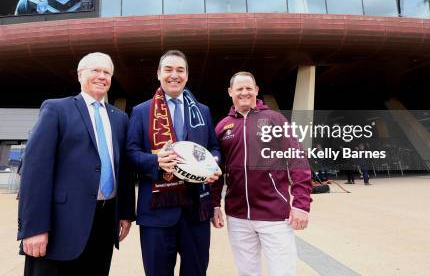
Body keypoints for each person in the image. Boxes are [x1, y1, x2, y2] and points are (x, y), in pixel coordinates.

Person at [17, 52, 135, 276]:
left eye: (107, 72)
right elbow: (35, 172)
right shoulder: (56, 109)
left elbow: (125, 170)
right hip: (59, 226)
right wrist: (34, 228)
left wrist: (125, 213)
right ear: (80, 75)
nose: (102, 76)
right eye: (95, 71)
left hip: (104, 222)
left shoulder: (120, 119)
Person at [127, 49, 221, 276]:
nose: (174, 75)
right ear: (158, 73)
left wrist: (212, 163)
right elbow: (131, 152)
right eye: (168, 69)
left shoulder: (202, 111)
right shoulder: (142, 111)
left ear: (187, 75)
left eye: (180, 70)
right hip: (157, 213)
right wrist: (156, 161)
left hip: (197, 211)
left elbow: (214, 147)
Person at [211, 71, 312, 276]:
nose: (244, 92)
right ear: (230, 92)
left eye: (249, 88)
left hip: (274, 214)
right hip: (238, 216)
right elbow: (216, 171)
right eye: (239, 88)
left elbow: (298, 159)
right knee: (247, 273)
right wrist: (214, 204)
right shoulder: (222, 127)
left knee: (283, 272)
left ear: (256, 90)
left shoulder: (275, 119)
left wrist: (301, 204)